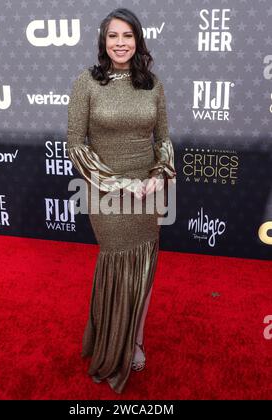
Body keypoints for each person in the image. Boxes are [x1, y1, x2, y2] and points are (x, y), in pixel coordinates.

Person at [66, 7, 176, 394]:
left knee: (145, 264)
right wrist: (119, 183)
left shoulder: (152, 84)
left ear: (138, 41)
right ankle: (112, 342)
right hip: (107, 195)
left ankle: (137, 339)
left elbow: (162, 139)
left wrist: (158, 175)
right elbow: (75, 144)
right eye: (113, 36)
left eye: (127, 36)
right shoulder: (87, 83)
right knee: (117, 262)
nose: (120, 43)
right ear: (103, 41)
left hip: (147, 193)